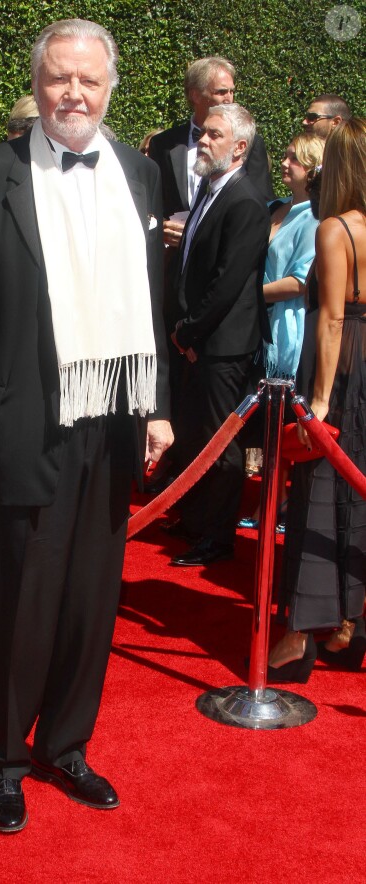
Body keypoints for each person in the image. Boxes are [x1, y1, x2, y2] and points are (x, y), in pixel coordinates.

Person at [0, 18, 172, 833]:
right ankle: (1, 762)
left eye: (88, 81)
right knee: (22, 599)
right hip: (21, 420)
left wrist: (159, 404)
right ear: (36, 85)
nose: (73, 93)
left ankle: (66, 743)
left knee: (90, 598)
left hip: (111, 419)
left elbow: (149, 298)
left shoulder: (136, 172)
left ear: (109, 89)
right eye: (59, 78)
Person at [268, 118, 366, 682]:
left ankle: (299, 634)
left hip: (341, 368)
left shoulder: (336, 229)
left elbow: (329, 318)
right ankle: (350, 626)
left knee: (322, 489)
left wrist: (320, 402)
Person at [167, 104, 270, 566]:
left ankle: (218, 536)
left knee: (221, 442)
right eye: (203, 132)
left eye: (214, 134)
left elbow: (228, 282)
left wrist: (190, 331)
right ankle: (195, 519)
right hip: (200, 340)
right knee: (194, 433)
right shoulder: (212, 191)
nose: (202, 140)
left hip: (223, 344)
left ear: (240, 147)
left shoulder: (245, 201)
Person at [238, 133, 324, 532]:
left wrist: (247, 295)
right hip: (258, 326)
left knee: (281, 423)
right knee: (263, 425)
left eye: (295, 159)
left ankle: (277, 506)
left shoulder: (314, 218)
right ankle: (270, 504)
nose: (285, 162)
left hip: (287, 329)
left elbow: (299, 281)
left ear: (313, 171)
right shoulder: (275, 207)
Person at [149, 57, 273, 257]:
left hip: (223, 256)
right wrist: (162, 227)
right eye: (221, 92)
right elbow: (153, 203)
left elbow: (262, 205)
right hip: (173, 262)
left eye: (232, 91)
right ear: (195, 95)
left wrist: (197, 234)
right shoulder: (163, 144)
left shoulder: (249, 143)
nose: (229, 99)